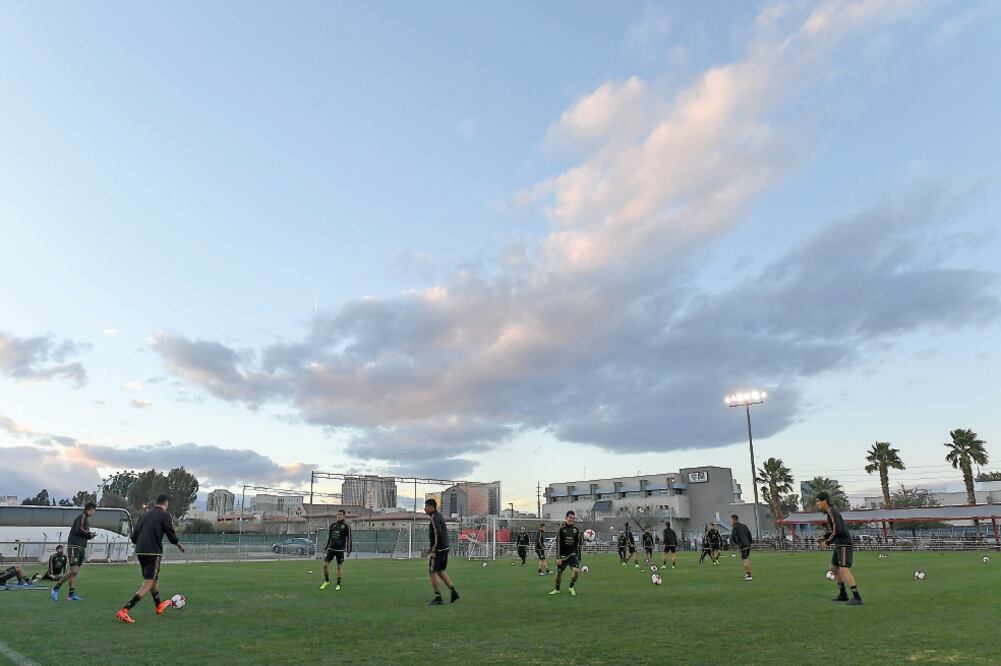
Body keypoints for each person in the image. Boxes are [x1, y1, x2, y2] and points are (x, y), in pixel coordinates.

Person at [115, 494, 186, 624]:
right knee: (148, 583)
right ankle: (125, 610)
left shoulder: (144, 515)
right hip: (153, 552)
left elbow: (134, 536)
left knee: (153, 580)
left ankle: (159, 605)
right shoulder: (165, 516)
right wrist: (178, 544)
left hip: (141, 551)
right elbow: (171, 534)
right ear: (166, 503)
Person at [816, 491, 862, 605]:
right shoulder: (829, 513)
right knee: (834, 568)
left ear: (824, 501)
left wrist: (827, 542)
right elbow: (833, 531)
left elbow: (838, 530)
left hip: (844, 543)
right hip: (838, 543)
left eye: (818, 501)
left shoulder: (832, 511)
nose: (816, 504)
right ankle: (843, 594)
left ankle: (857, 597)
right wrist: (824, 537)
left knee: (843, 569)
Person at [51, 501, 96, 601]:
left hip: (81, 547)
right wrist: (88, 534)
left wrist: (89, 536)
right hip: (74, 546)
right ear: (90, 509)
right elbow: (78, 530)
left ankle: (71, 595)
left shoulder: (86, 520)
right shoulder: (82, 516)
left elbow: (83, 534)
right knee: (73, 570)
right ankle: (55, 588)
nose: (93, 513)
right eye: (93, 510)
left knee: (74, 572)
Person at [423, 498, 459, 605]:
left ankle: (438, 598)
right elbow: (437, 535)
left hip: (439, 549)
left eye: (426, 507)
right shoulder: (438, 516)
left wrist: (433, 550)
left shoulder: (434, 518)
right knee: (440, 571)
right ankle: (454, 592)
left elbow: (438, 534)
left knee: (432, 571)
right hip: (444, 548)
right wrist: (430, 548)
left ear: (431, 507)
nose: (424, 509)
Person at [548, 510, 582, 597]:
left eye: (573, 518)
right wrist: (558, 557)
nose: (572, 519)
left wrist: (578, 555)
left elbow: (577, 544)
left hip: (572, 555)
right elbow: (558, 544)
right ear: (566, 518)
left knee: (576, 571)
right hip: (562, 556)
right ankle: (557, 589)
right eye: (570, 518)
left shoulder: (576, 530)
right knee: (559, 574)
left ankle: (571, 587)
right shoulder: (561, 530)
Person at [320, 509, 352, 591]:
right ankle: (327, 581)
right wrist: (326, 546)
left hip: (340, 550)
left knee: (339, 567)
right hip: (331, 548)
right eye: (337, 514)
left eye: (340, 514)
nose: (338, 516)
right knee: (325, 565)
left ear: (344, 516)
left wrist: (349, 550)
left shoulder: (346, 526)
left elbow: (349, 538)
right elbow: (330, 537)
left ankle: (338, 584)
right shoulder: (333, 525)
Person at [730, 515, 753, 581]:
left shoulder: (735, 527)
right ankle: (747, 573)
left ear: (734, 520)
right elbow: (749, 534)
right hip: (748, 544)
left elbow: (733, 537)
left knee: (744, 559)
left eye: (731, 520)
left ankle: (749, 575)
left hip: (742, 545)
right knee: (745, 559)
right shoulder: (744, 526)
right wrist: (750, 542)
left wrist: (735, 543)